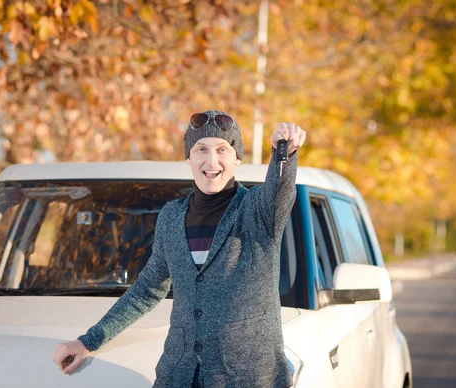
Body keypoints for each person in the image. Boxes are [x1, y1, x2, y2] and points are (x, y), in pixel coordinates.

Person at [53, 110, 307, 388]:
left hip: (246, 378)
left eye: (223, 149)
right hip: (179, 375)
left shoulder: (258, 210)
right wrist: (88, 342)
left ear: (237, 157)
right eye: (201, 149)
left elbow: (280, 188)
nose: (212, 161)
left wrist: (284, 152)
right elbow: (147, 289)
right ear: (189, 158)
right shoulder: (171, 217)